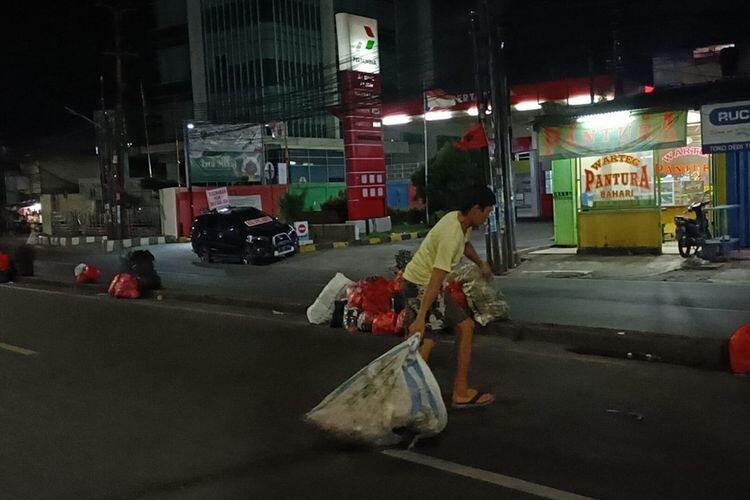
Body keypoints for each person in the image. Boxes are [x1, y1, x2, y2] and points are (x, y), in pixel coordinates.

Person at [402, 184, 496, 409]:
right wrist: (422, 315)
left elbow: (465, 246)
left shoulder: (459, 221)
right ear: (475, 209)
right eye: (487, 211)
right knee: (438, 334)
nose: (488, 216)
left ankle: (405, 395)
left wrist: (480, 262)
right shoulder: (451, 234)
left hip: (416, 282)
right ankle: (416, 397)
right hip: (422, 285)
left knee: (425, 339)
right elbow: (436, 277)